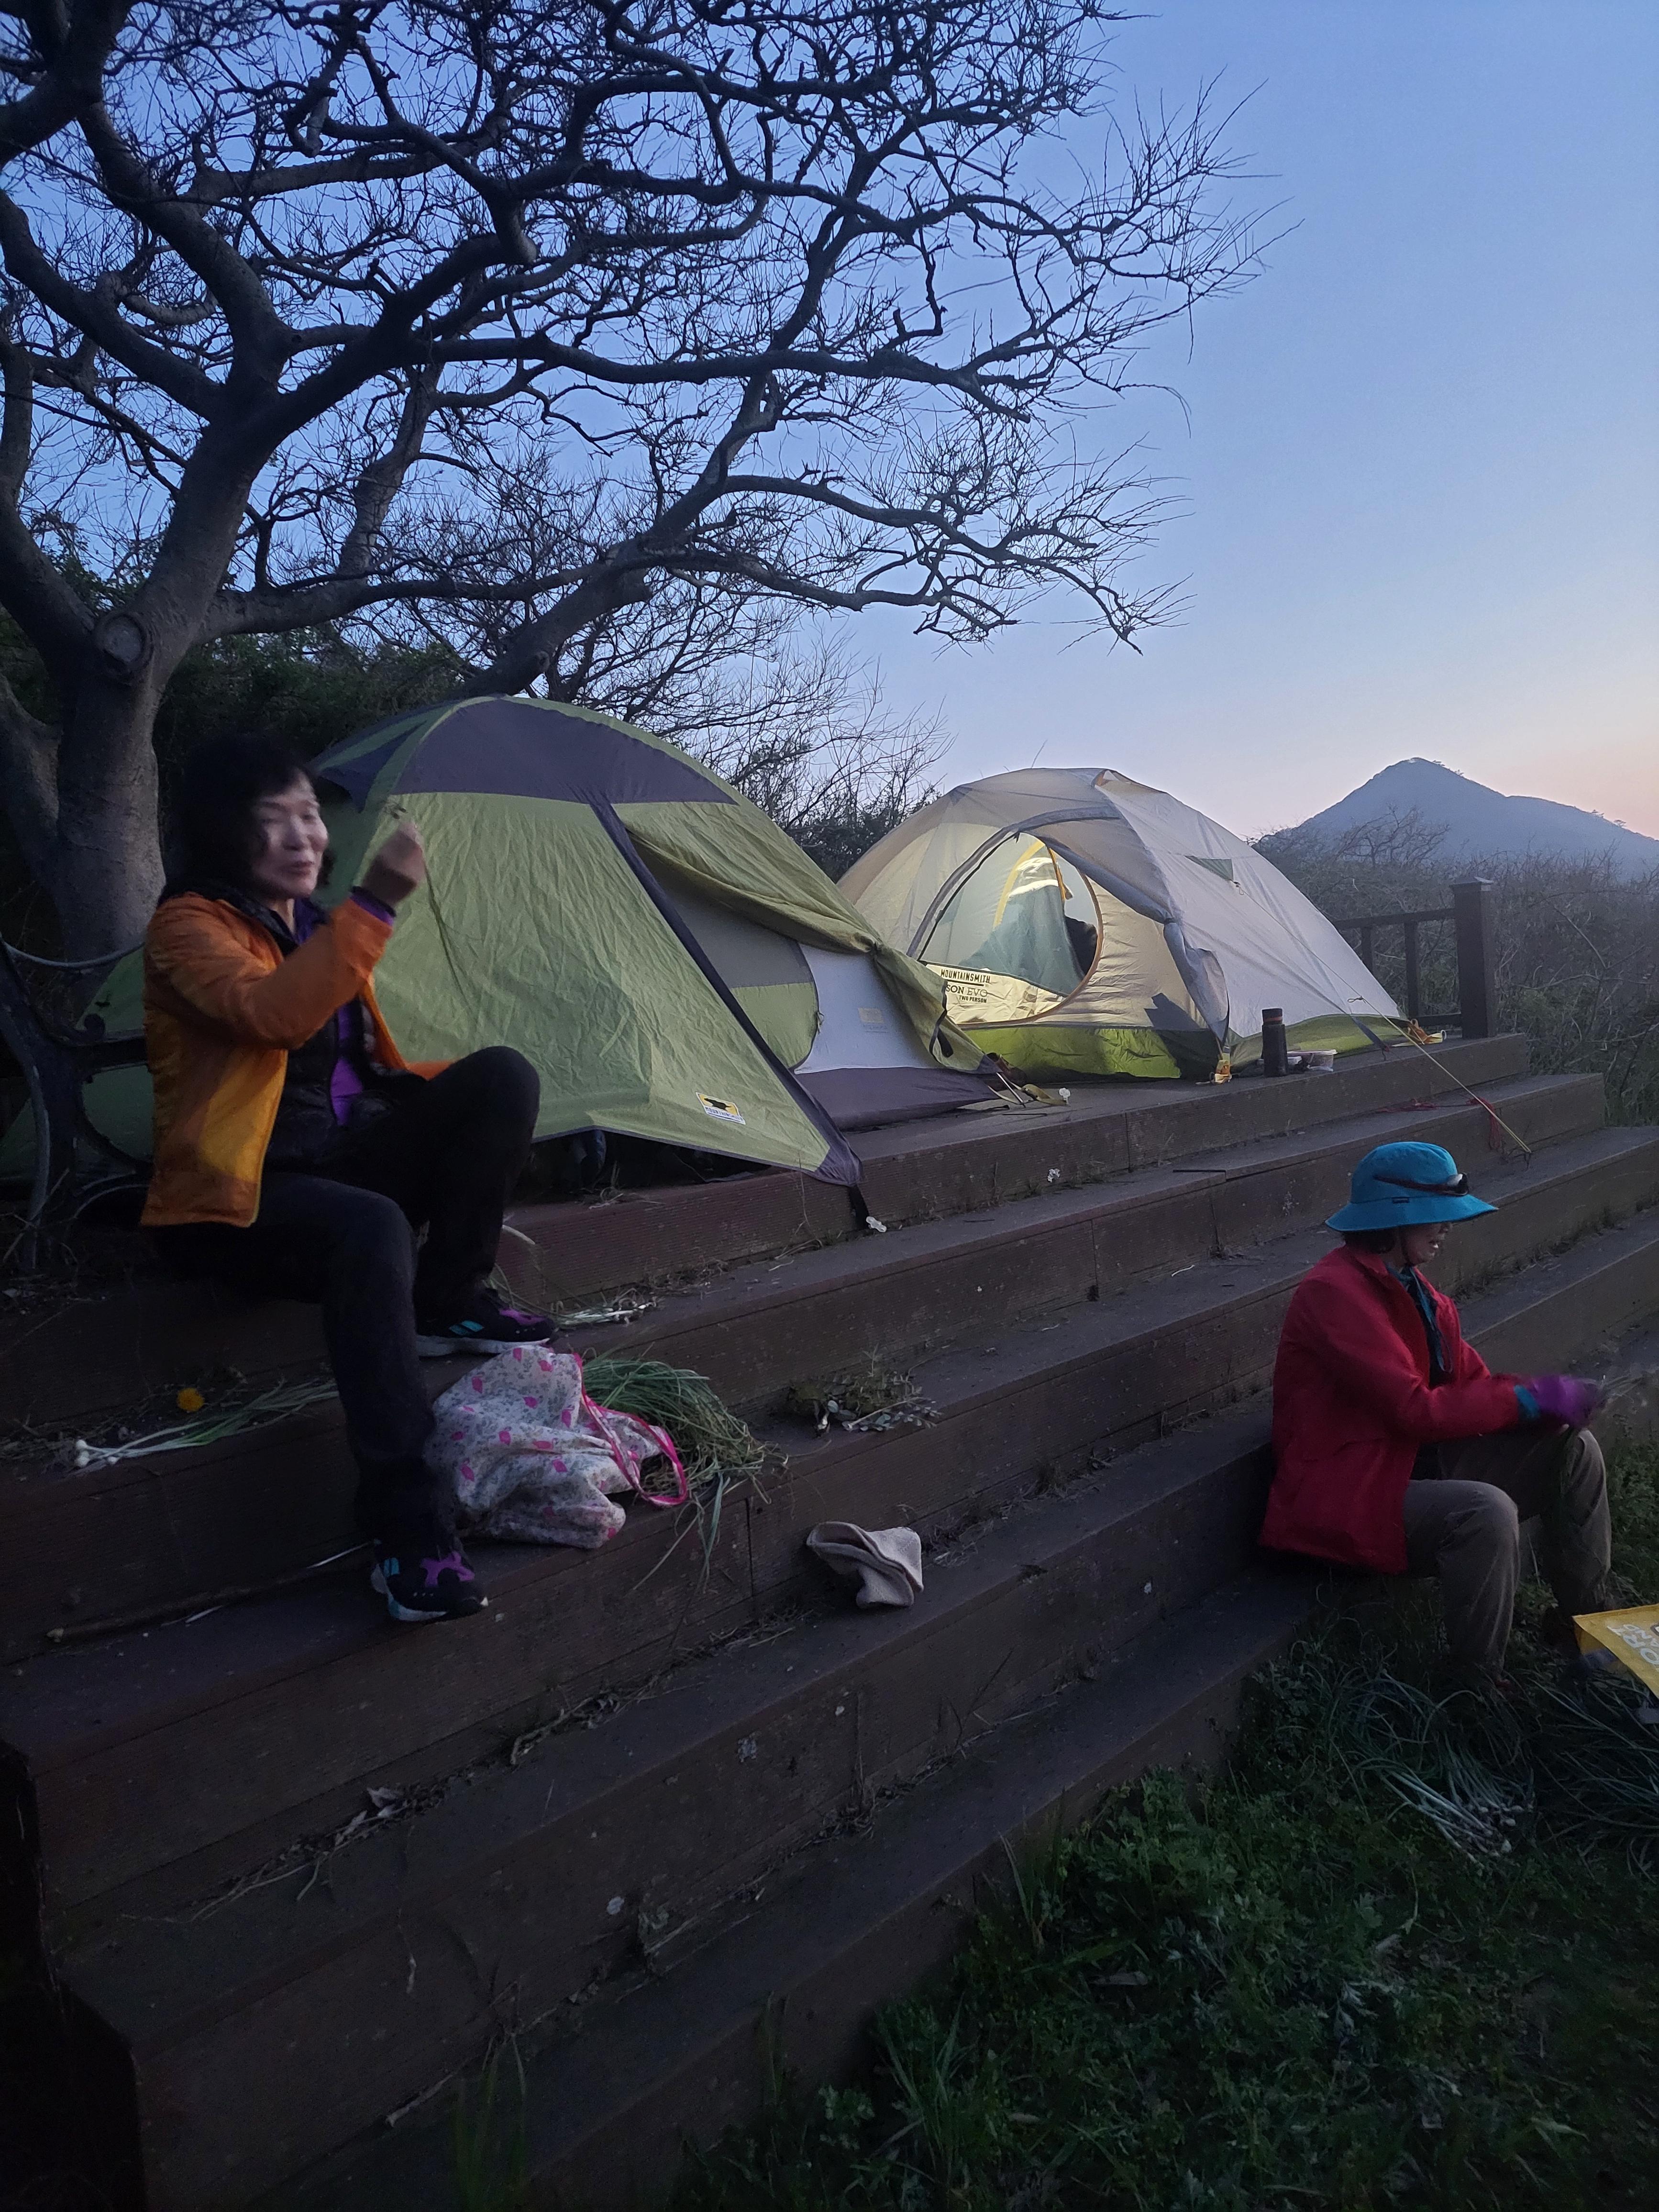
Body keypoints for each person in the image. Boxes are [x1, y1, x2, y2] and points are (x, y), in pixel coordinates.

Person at [142, 732, 553, 1625]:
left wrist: (442, 1106)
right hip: (241, 1196)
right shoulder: (188, 928)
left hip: (339, 1160)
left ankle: (448, 1299)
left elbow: (355, 1069)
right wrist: (375, 902)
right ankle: (408, 1525)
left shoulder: (313, 924)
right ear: (223, 831)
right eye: (275, 819)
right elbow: (273, 1016)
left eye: (309, 815)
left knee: (501, 1076)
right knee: (368, 1224)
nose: (304, 835)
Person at [1261, 1140, 1616, 1690]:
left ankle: (1587, 1632)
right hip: (1346, 1488)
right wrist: (1529, 1400)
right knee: (1485, 1511)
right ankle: (1475, 1690)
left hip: (1404, 1463)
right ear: (1392, 1220)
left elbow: (1471, 1385)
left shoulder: (1416, 1290)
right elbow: (1414, 1409)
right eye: (1436, 1215)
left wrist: (1546, 1403)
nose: (1448, 1227)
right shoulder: (1334, 1293)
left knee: (1576, 1449)